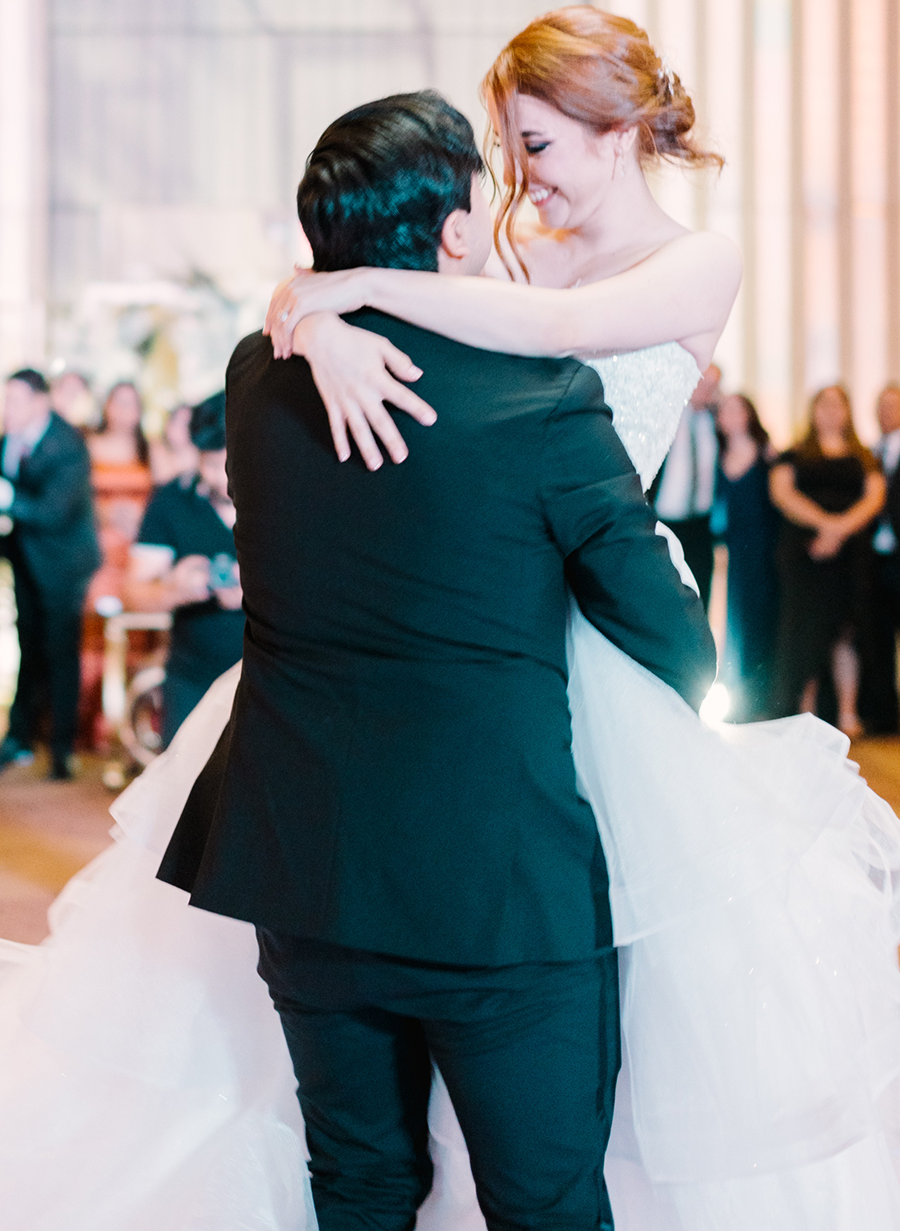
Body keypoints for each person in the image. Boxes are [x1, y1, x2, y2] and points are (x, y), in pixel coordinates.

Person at [0, 11, 900, 1230]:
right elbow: (413, 318)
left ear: (620, 132)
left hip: (586, 649)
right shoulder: (496, 253)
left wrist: (331, 295)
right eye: (503, 149)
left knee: (636, 1034)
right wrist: (318, 319)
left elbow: (544, 343)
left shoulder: (692, 262)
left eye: (537, 143)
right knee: (492, 1032)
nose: (519, 179)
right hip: (475, 639)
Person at [160, 90, 715, 1230]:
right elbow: (665, 636)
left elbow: (291, 331)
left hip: (302, 865)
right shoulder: (542, 396)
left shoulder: (259, 384)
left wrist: (311, 317)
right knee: (543, 1200)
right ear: (455, 233)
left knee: (358, 1184)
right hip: (492, 887)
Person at [0, 369, 101, 780]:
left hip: (63, 565)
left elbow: (50, 513)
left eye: (15, 401)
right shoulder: (7, 435)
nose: (6, 410)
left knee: (60, 654)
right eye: (4, 401)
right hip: (23, 561)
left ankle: (62, 749)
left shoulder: (69, 444)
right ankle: (18, 738)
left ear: (41, 402)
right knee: (25, 646)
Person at [124, 392, 244, 747]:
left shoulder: (286, 498)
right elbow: (132, 592)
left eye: (231, 466)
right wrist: (175, 589)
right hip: (192, 679)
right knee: (183, 797)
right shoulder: (171, 500)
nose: (222, 481)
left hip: (271, 680)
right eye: (210, 466)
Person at [770, 384, 885, 735]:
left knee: (846, 633)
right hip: (806, 554)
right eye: (825, 405)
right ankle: (805, 714)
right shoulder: (793, 454)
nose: (831, 411)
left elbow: (873, 497)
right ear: (813, 410)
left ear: (848, 411)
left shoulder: (864, 457)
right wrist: (825, 525)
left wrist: (839, 530)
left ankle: (847, 713)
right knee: (805, 633)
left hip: (849, 558)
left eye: (838, 405)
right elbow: (783, 493)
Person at [79, 382, 154, 749]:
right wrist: (107, 515)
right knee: (96, 633)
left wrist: (142, 520)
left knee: (136, 634)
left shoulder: (149, 450)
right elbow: (76, 498)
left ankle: (128, 724)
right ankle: (91, 724)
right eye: (119, 402)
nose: (126, 411)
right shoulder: (89, 446)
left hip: (137, 555)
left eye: (133, 403)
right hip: (99, 551)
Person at [714, 392, 779, 720]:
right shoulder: (716, 454)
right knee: (737, 620)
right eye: (725, 410)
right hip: (736, 550)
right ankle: (741, 698)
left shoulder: (768, 452)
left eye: (737, 409)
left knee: (764, 617)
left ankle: (765, 697)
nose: (731, 416)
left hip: (766, 548)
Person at [648, 365, 721, 607]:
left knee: (700, 599)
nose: (707, 389)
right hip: (662, 523)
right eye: (703, 382)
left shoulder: (717, 419)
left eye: (713, 385)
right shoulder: (663, 416)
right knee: (663, 600)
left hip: (701, 525)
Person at [859, 384, 900, 733]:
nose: (887, 412)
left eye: (893, 405)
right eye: (882, 406)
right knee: (878, 638)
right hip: (874, 558)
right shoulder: (869, 453)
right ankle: (885, 714)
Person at [150, 403, 200, 485]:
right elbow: (161, 478)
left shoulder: (201, 451)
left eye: (187, 424)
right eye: (177, 422)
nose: (182, 430)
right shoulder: (156, 447)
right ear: (167, 425)